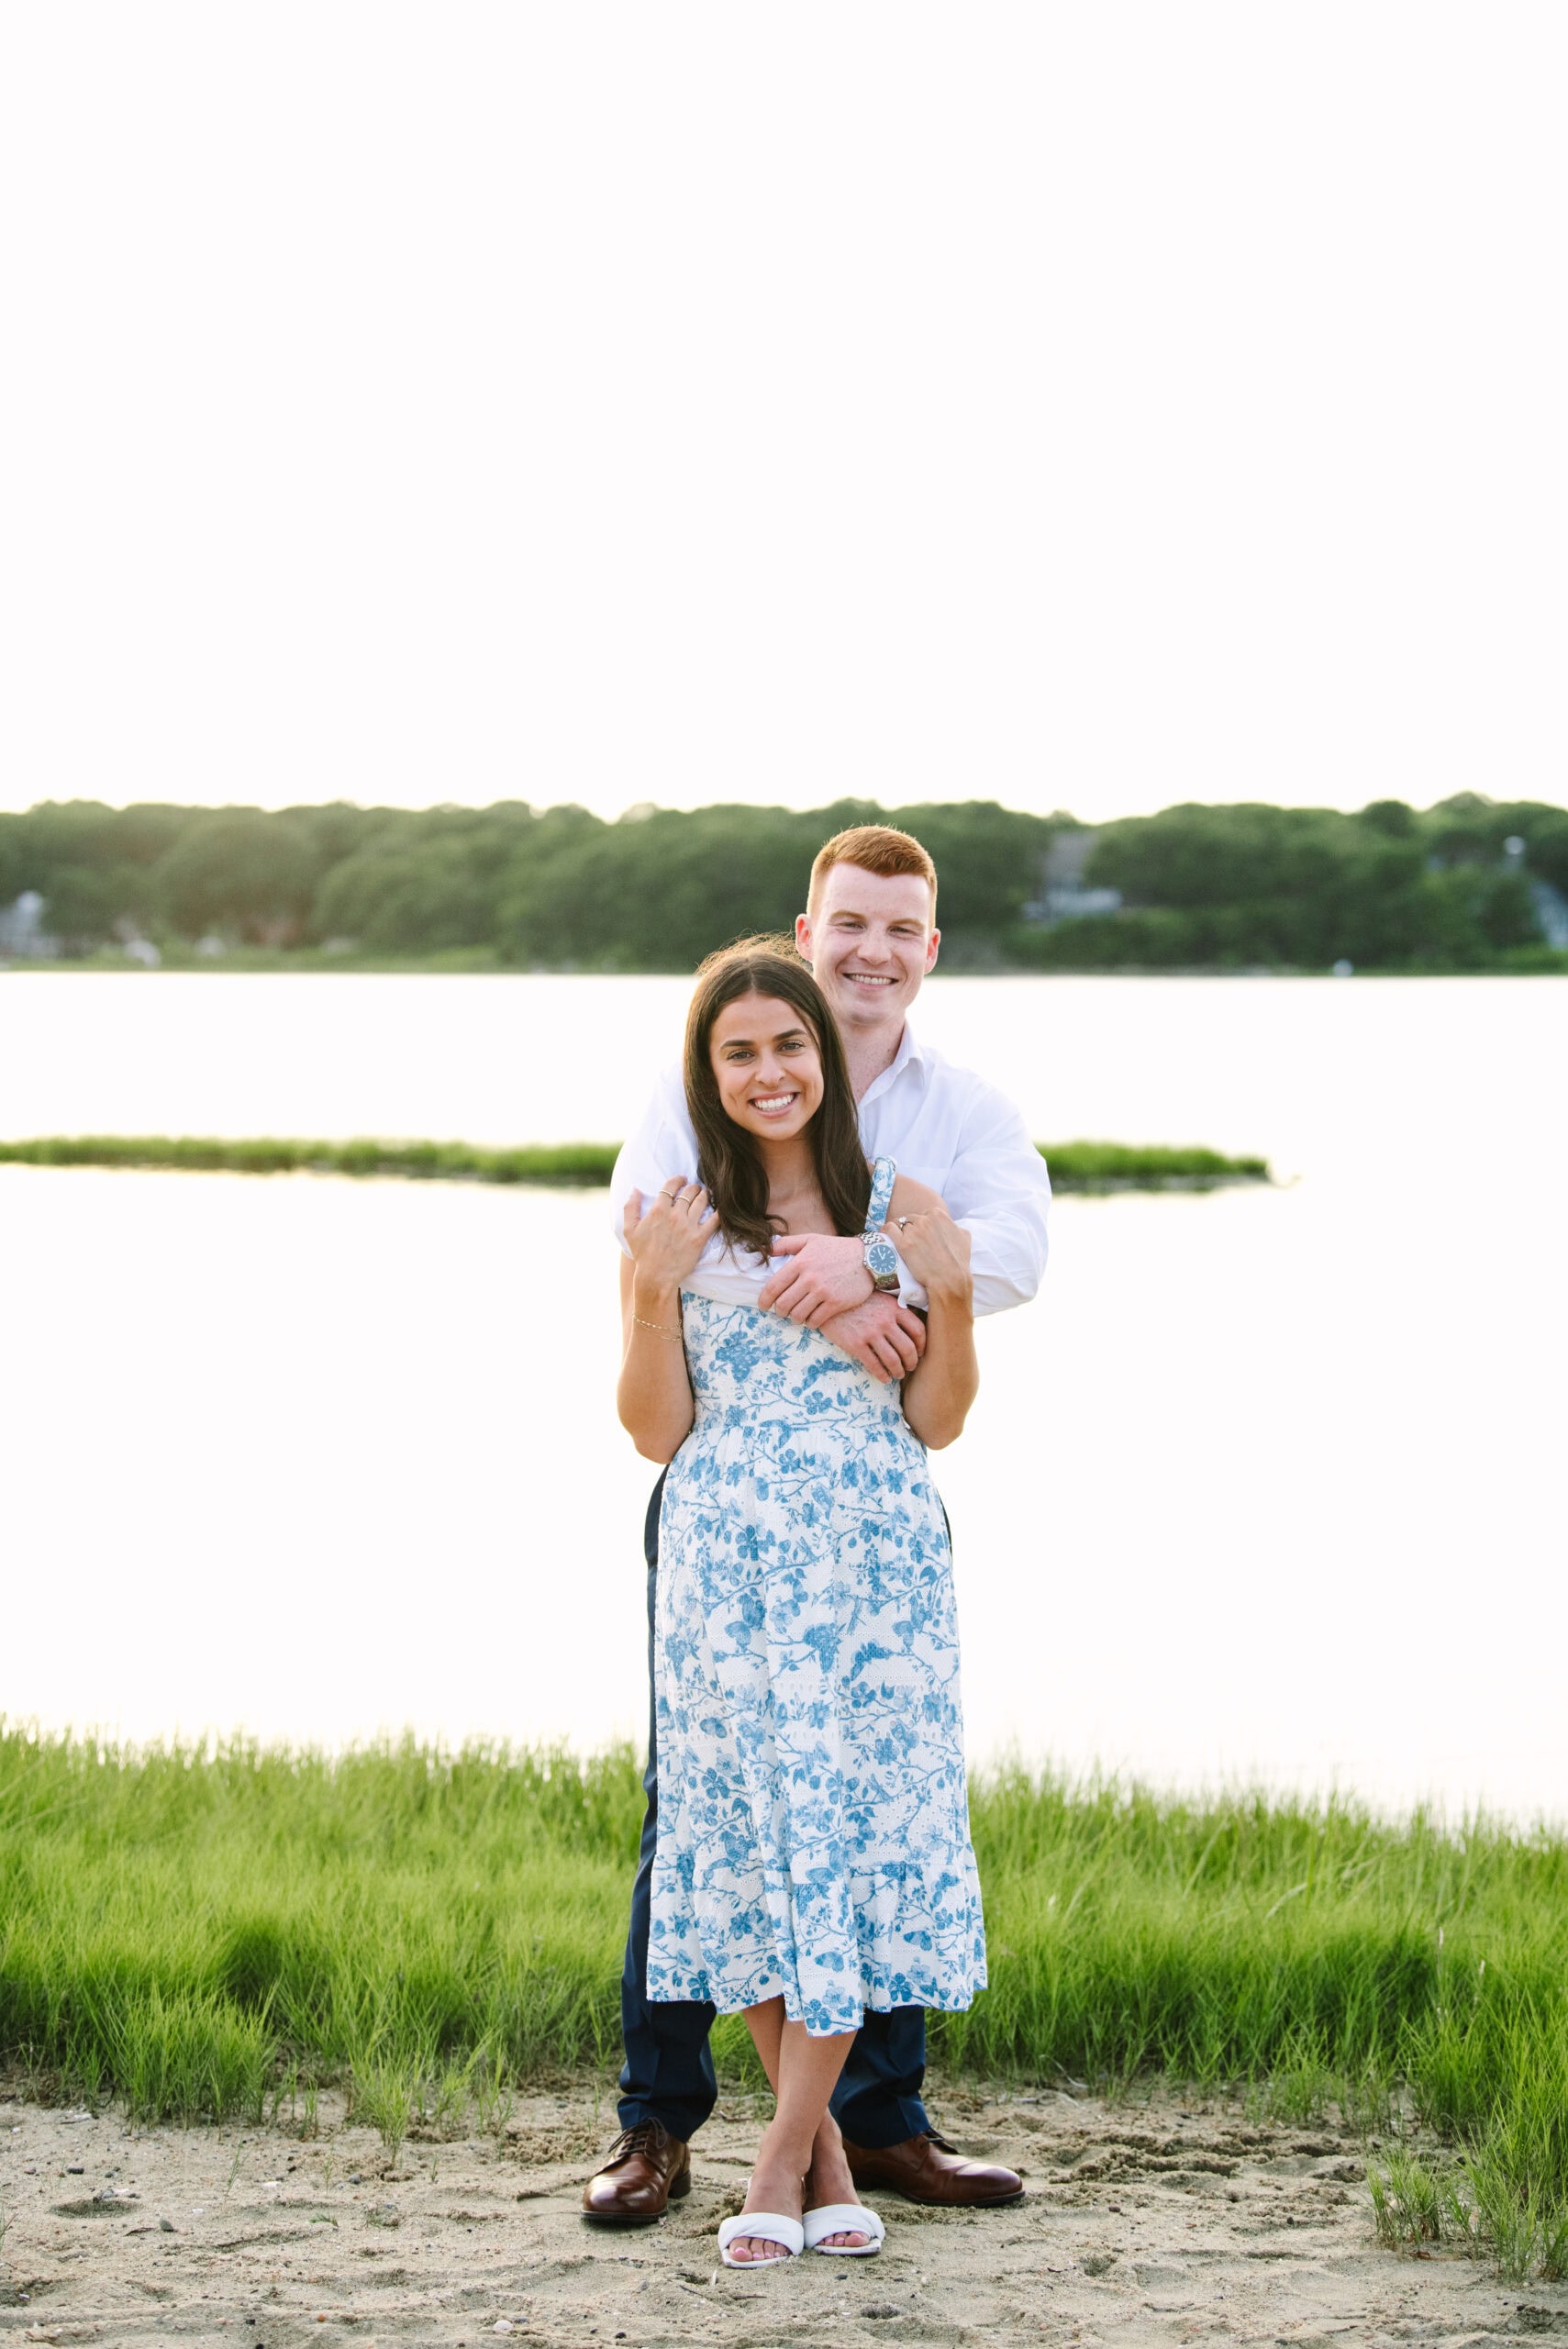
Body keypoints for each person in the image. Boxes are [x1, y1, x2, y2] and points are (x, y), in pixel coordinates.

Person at [584, 824, 1051, 2230]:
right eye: (848, 922)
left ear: (928, 949)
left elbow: (1009, 1255)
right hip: (726, 1510)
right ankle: (657, 2125)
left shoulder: (953, 1114)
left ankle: (875, 2126)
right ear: (808, 925)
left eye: (899, 929)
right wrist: (836, 1288)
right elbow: (647, 1222)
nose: (870, 950)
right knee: (707, 1809)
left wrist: (886, 1258)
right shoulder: (719, 1055)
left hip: (871, 1513)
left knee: (878, 1805)